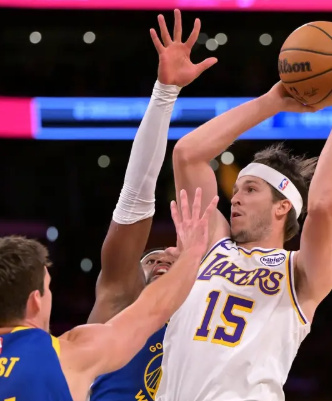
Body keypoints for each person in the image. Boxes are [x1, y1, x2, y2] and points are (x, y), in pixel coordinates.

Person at [156, 40, 332, 401]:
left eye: (251, 189)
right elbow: (187, 155)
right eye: (236, 190)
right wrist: (273, 101)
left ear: (282, 206)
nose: (235, 198)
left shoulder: (301, 272)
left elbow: (322, 207)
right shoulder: (210, 245)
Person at [0, 187, 219, 401]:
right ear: (35, 299)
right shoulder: (69, 357)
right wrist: (193, 252)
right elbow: (152, 309)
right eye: (47, 287)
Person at [88, 9, 215, 401]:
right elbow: (135, 198)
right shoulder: (120, 302)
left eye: (171, 260)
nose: (160, 259)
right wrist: (164, 94)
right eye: (151, 259)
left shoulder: (208, 322)